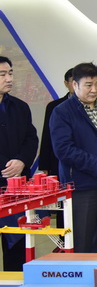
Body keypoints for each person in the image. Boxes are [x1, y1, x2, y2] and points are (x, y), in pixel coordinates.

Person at [50, 62, 97, 253]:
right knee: (82, 242)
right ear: (74, 84)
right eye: (88, 85)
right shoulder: (62, 112)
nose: (94, 90)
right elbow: (64, 150)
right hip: (80, 187)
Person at [0, 56, 39, 270]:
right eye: (2, 74)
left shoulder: (20, 107)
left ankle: (17, 285)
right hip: (4, 179)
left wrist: (22, 161)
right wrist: (6, 166)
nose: (9, 79)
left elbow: (31, 139)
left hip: (17, 189)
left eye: (10, 73)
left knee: (17, 244)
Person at [39, 68, 73, 176]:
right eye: (73, 81)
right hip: (57, 160)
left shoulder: (94, 106)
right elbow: (47, 136)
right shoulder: (54, 106)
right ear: (66, 83)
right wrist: (44, 165)